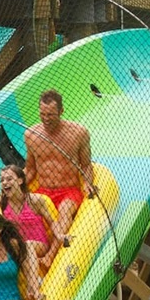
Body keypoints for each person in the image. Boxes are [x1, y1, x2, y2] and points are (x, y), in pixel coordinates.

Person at [24, 88, 95, 248]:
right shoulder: (31, 135)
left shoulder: (78, 133)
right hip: (44, 191)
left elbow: (86, 165)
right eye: (42, 114)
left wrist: (87, 184)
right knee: (25, 213)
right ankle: (29, 252)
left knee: (65, 210)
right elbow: (30, 169)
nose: (46, 119)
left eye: (50, 115)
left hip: (69, 191)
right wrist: (17, 186)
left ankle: (51, 255)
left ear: (61, 111)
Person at [0, 164, 60, 272]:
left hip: (39, 245)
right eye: (2, 180)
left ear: (20, 181)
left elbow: (52, 222)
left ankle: (35, 282)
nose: (4, 182)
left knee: (27, 245)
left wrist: (59, 235)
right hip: (19, 246)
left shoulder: (34, 200)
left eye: (9, 179)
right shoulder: (3, 203)